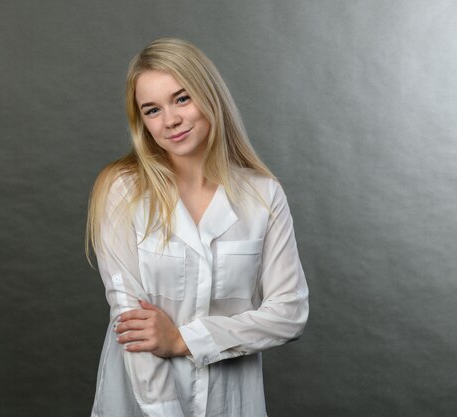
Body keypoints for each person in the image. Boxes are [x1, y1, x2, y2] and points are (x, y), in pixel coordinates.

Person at [86, 38, 309, 417]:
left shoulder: (263, 195)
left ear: (210, 96)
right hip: (145, 403)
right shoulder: (121, 190)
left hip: (232, 399)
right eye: (152, 109)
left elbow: (288, 314)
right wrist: (167, 411)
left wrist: (183, 340)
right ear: (142, 121)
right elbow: (132, 326)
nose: (170, 120)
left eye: (182, 98)